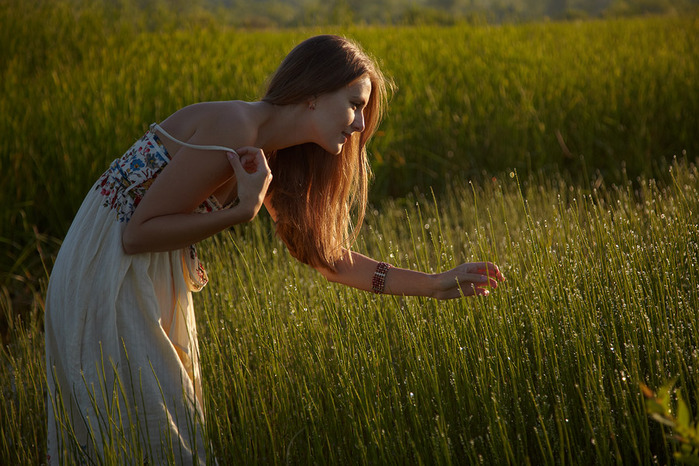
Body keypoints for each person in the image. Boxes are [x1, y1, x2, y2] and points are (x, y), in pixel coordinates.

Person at [44, 34, 504, 464]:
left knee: (155, 439)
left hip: (140, 274)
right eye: (355, 105)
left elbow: (330, 260)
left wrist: (436, 284)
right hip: (108, 272)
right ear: (313, 94)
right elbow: (136, 233)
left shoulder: (273, 153)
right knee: (154, 441)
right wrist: (238, 212)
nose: (362, 124)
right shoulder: (236, 126)